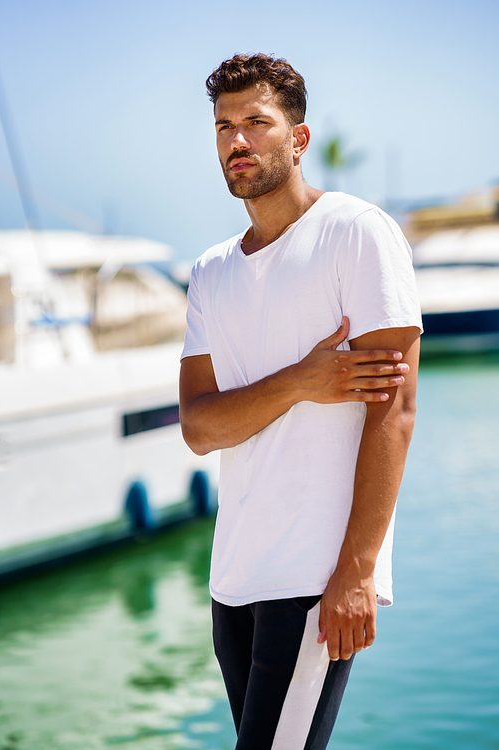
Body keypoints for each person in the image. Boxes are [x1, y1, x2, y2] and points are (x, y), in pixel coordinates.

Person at [179, 53, 422, 750]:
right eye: (224, 126)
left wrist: (357, 569)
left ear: (299, 138)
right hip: (234, 580)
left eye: (257, 121)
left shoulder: (356, 232)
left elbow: (395, 410)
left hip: (314, 577)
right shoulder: (211, 270)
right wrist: (301, 381)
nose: (238, 141)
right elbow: (199, 427)